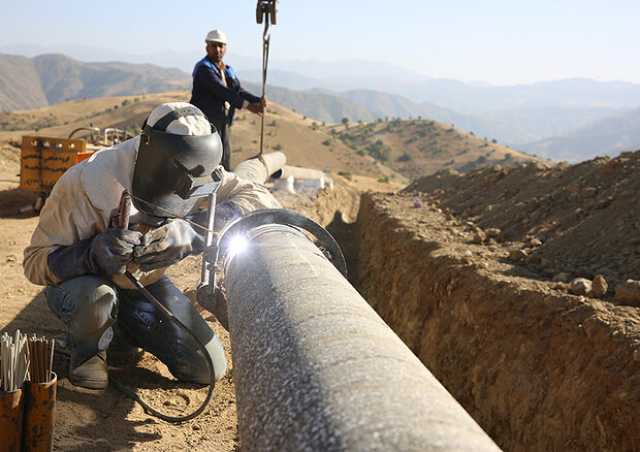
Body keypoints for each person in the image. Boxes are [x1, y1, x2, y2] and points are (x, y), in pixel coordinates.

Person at [23, 102, 281, 390]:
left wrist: (191, 232)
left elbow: (260, 198)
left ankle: (123, 328)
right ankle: (87, 350)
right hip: (88, 287)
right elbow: (34, 263)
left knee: (207, 367)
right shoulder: (85, 183)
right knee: (96, 298)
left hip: (144, 286)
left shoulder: (197, 171)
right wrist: (89, 255)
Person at [190, 29, 266, 170]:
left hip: (222, 120)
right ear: (207, 47)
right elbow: (223, 92)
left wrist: (257, 100)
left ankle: (224, 187)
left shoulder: (226, 70)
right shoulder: (204, 69)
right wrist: (249, 106)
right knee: (209, 157)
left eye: (221, 46)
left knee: (224, 156)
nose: (218, 50)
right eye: (214, 46)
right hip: (205, 121)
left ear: (225, 48)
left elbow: (238, 90)